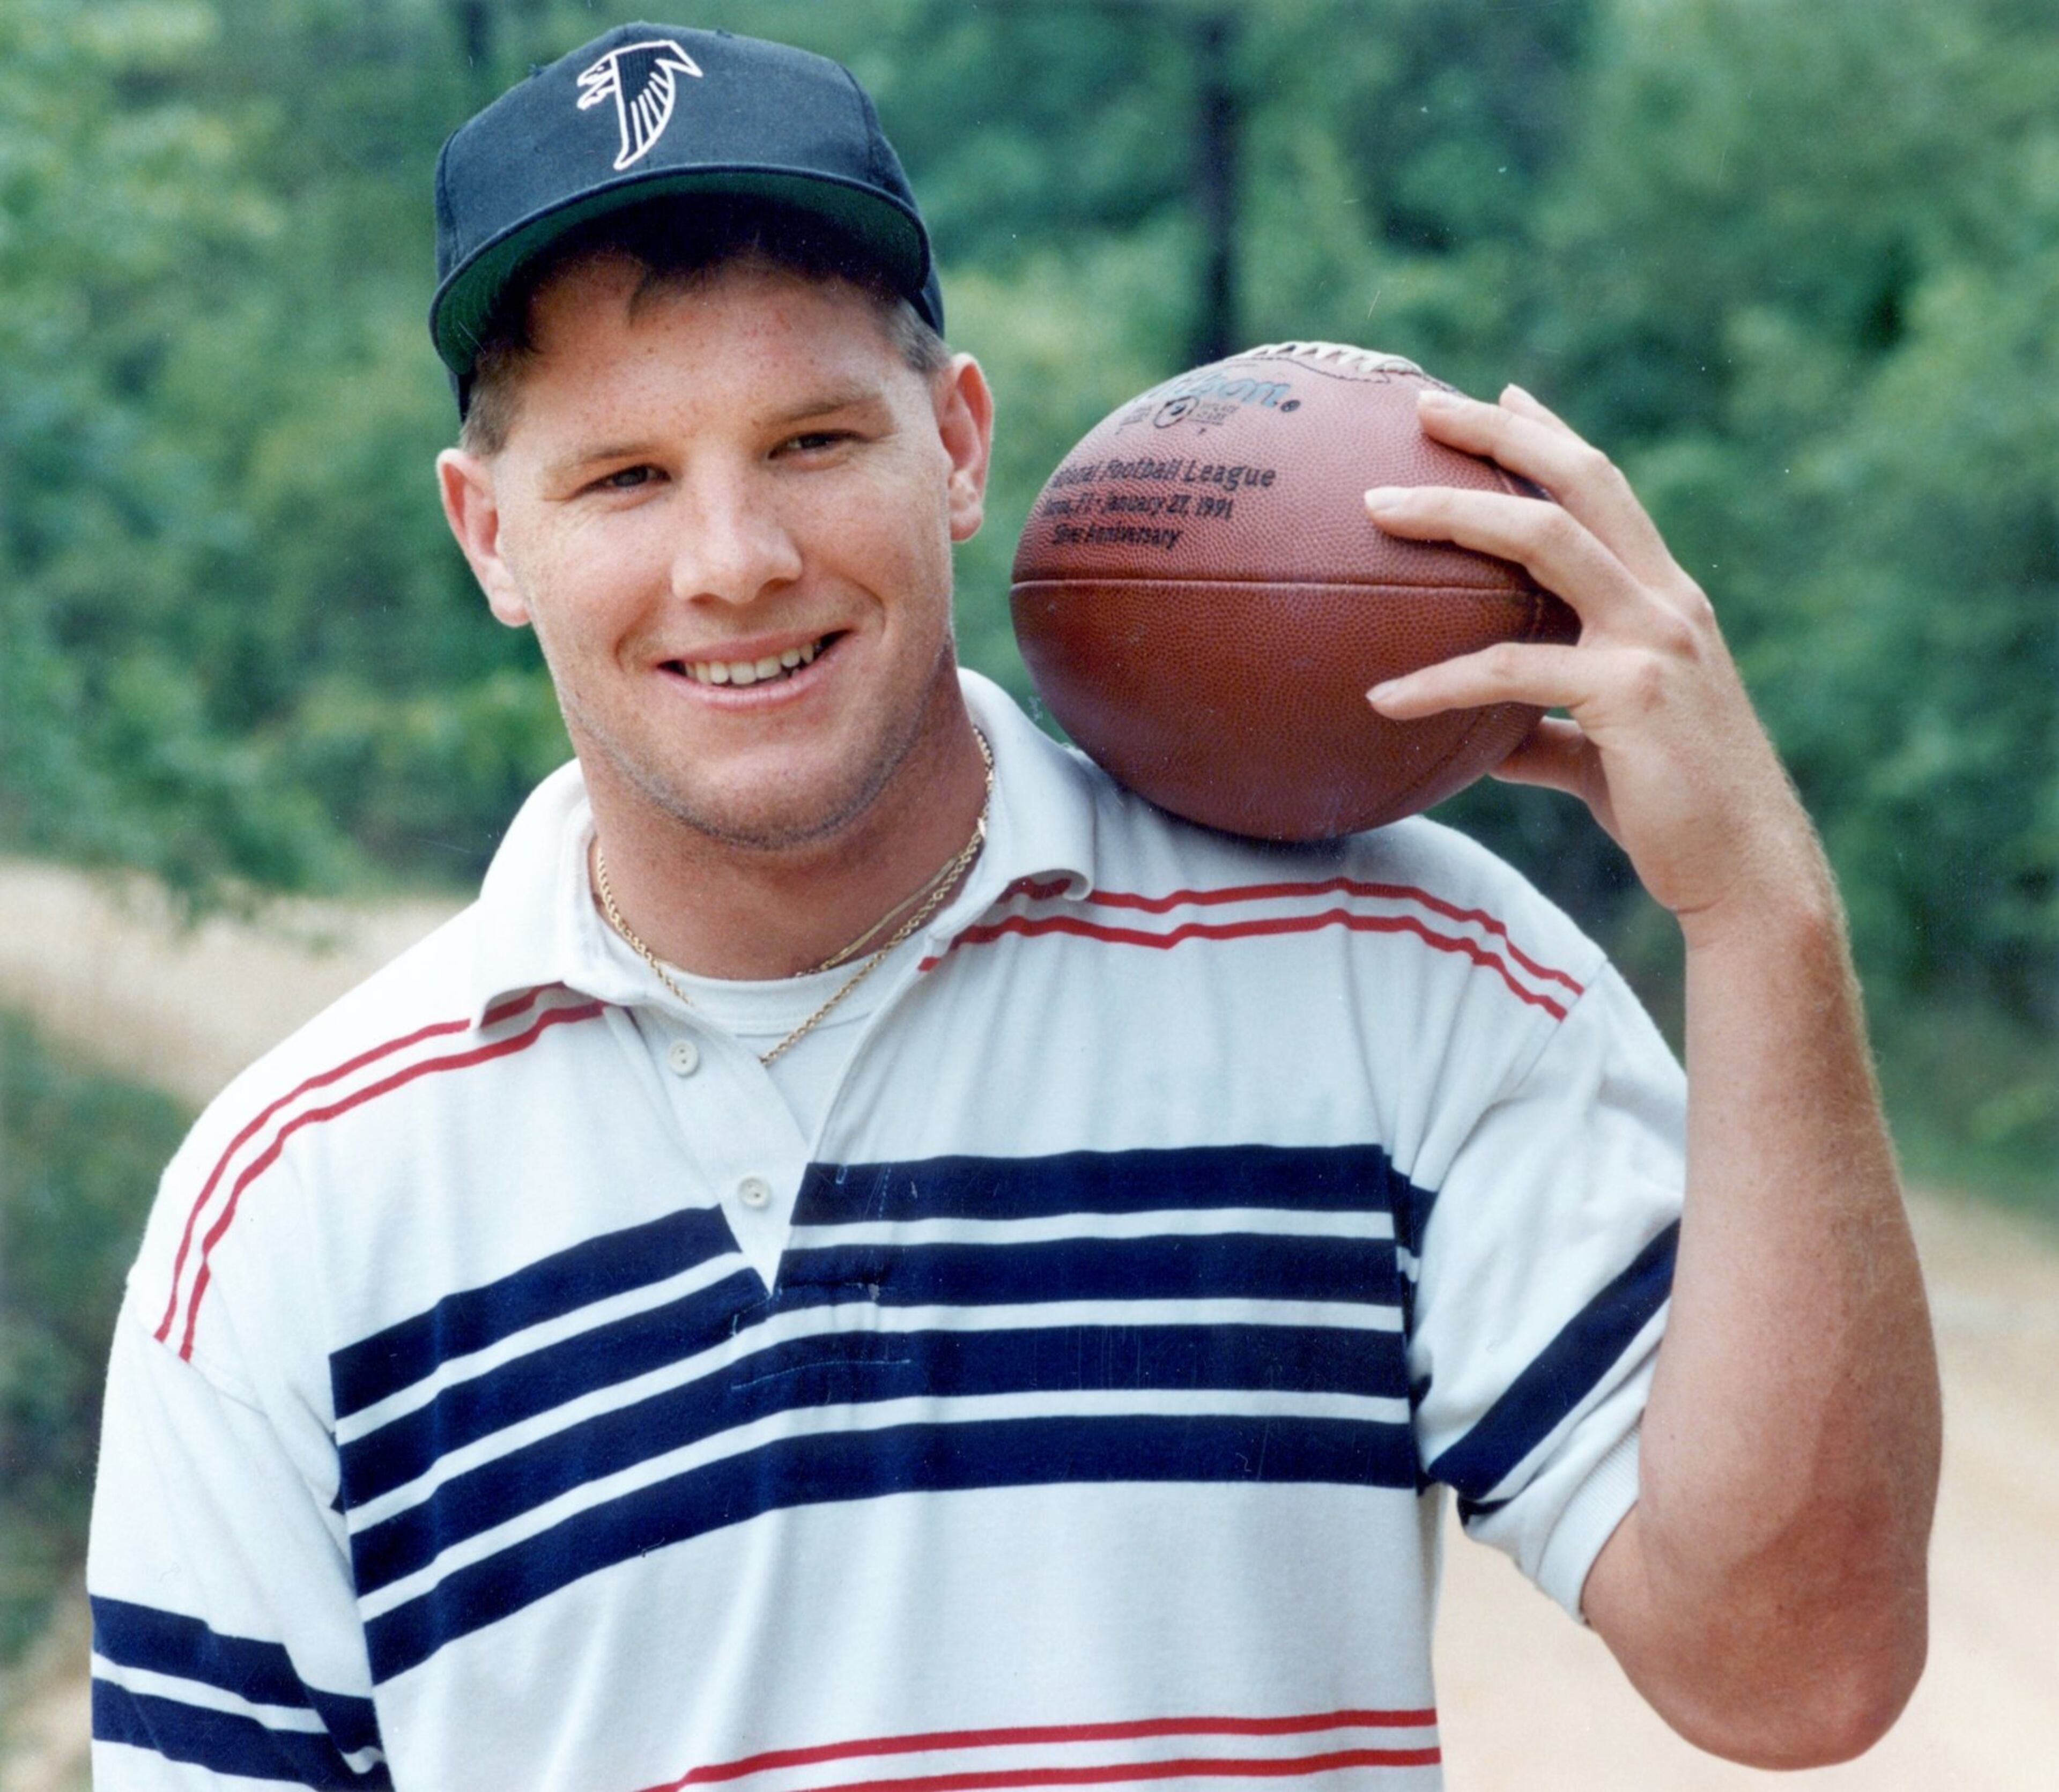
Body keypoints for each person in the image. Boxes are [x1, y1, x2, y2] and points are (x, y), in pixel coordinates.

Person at [85, 21, 1939, 1791]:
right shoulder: (288, 1212)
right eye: (627, 477)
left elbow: (1797, 1665)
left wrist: (1762, 913)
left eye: (814, 442)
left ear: (958, 445)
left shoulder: (1400, 976)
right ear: (491, 533)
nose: (735, 562)